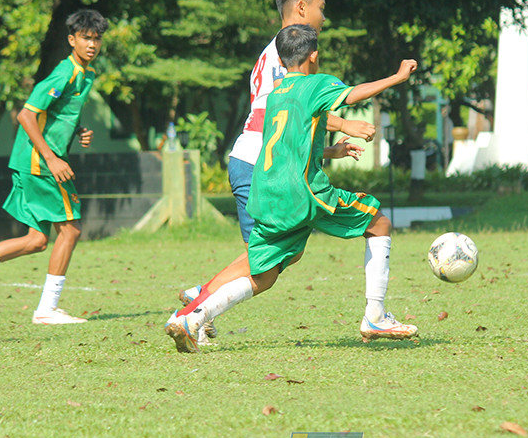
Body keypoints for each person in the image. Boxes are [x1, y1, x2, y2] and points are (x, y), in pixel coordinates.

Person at [164, 24, 418, 353]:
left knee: (264, 272)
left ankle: (192, 317)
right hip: (305, 193)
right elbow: (354, 94)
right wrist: (396, 77)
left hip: (268, 193)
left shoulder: (277, 92)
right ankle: (375, 315)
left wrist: (330, 152)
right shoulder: (317, 84)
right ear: (314, 55)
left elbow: (285, 144)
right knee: (379, 222)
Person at [180, 0, 375, 345]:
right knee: (267, 265)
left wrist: (328, 149)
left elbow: (293, 122)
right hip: (261, 165)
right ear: (301, 7)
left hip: (258, 161)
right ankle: (195, 307)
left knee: (274, 257)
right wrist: (344, 124)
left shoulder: (278, 51)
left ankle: (199, 304)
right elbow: (286, 111)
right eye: (320, 9)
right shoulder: (281, 59)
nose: (323, 17)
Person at [0, 9, 109, 323]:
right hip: (39, 162)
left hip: (34, 161)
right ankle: (46, 310)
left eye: (97, 39)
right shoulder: (65, 73)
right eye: (86, 38)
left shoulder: (86, 74)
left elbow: (59, 114)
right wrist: (52, 157)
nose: (92, 44)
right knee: (70, 231)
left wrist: (78, 130)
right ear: (72, 40)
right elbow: (26, 115)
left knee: (36, 240)